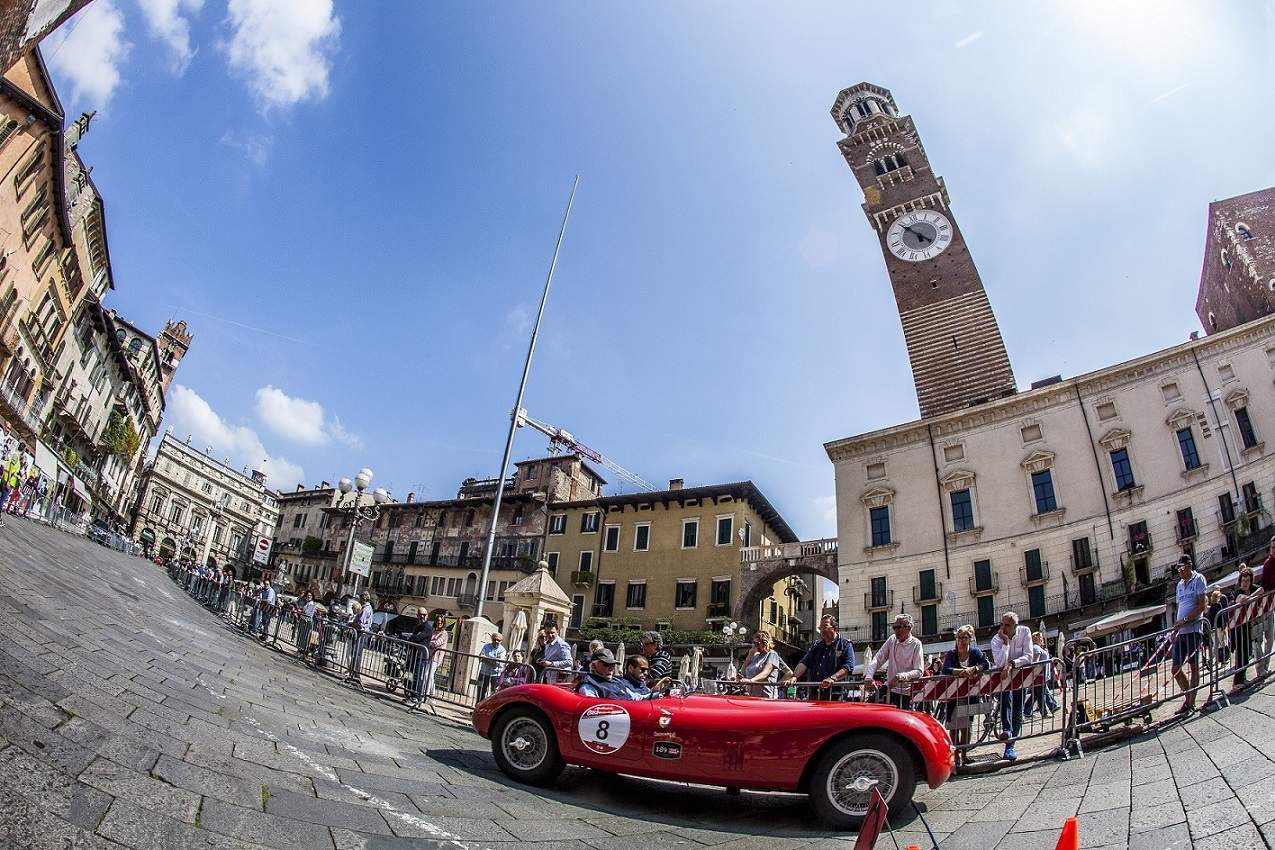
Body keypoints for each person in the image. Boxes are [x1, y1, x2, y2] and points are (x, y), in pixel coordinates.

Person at [942, 625, 989, 767]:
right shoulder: (951, 654)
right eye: (959, 638)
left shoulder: (975, 652)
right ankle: (955, 756)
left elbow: (985, 664)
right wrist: (962, 672)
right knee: (954, 726)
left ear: (970, 639)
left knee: (967, 726)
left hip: (970, 695)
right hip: (954, 696)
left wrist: (974, 668)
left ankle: (964, 755)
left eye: (964, 638)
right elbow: (946, 669)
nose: (961, 641)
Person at [990, 611, 1034, 761]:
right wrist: (1006, 643)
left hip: (1020, 677)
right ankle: (1006, 730)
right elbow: (999, 663)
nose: (1003, 628)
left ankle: (1010, 746)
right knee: (1006, 703)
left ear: (1016, 625)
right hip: (1004, 679)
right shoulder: (996, 639)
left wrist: (1012, 664)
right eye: (1002, 624)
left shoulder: (1025, 632)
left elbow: (1029, 656)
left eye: (1007, 625)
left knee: (1018, 710)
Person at [783, 615, 855, 699]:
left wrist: (832, 678)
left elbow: (848, 666)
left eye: (825, 627)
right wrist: (794, 676)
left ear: (835, 628)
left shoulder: (845, 644)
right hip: (815, 693)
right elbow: (804, 662)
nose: (822, 630)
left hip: (835, 694)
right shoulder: (816, 645)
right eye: (820, 628)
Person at [863, 613, 924, 710]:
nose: (896, 631)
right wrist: (869, 675)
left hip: (905, 692)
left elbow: (919, 671)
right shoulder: (892, 639)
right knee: (869, 707)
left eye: (899, 627)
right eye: (894, 627)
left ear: (909, 628)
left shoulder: (916, 644)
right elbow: (878, 658)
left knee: (901, 717)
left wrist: (899, 676)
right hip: (889, 687)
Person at [1172, 554, 1207, 715]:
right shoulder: (1179, 585)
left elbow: (1201, 606)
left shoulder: (1198, 579)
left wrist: (1186, 620)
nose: (1180, 571)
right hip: (1182, 631)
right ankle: (1188, 700)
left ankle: (1191, 703)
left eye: (1183, 567)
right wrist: (1177, 624)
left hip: (1193, 629)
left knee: (1193, 666)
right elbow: (1179, 606)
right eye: (1178, 568)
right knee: (1175, 668)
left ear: (1190, 566)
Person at [577, 649, 669, 700]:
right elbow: (591, 710)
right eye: (606, 664)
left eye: (613, 665)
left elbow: (635, 698)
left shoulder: (616, 681)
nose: (611, 668)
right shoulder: (588, 686)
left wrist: (658, 695)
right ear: (593, 666)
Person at [1231, 565, 1257, 688]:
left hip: (1246, 624)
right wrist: (1250, 597)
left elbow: (1261, 590)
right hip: (1237, 627)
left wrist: (1251, 595)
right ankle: (1237, 680)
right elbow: (1240, 599)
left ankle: (1243, 677)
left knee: (1247, 651)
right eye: (1243, 581)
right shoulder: (1238, 590)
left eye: (1247, 581)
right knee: (1241, 652)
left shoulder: (1251, 588)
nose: (1245, 583)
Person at [1023, 631, 1059, 718]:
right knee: (1042, 694)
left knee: (1036, 694)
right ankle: (1045, 712)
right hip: (1039, 675)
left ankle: (1026, 710)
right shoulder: (1036, 648)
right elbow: (1036, 661)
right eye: (1041, 637)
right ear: (1037, 638)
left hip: (1041, 675)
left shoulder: (1038, 648)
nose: (1042, 639)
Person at [405, 610, 434, 709]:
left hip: (422, 655)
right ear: (417, 615)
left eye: (424, 615)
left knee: (418, 677)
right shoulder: (418, 626)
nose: (422, 617)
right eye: (420, 615)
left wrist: (413, 637)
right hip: (415, 654)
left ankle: (416, 697)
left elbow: (417, 638)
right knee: (415, 676)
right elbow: (415, 637)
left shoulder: (427, 627)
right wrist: (414, 636)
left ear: (427, 616)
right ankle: (412, 695)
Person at [741, 631, 783, 698]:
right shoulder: (755, 655)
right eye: (754, 643)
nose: (755, 646)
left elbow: (765, 673)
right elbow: (743, 672)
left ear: (765, 643)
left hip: (766, 695)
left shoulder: (772, 654)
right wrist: (750, 656)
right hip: (751, 695)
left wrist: (751, 681)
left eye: (757, 643)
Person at [476, 632, 507, 702]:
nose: (496, 641)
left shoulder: (502, 650)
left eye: (498, 640)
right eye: (494, 639)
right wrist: (493, 660)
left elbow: (497, 662)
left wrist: (486, 658)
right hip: (484, 672)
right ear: (492, 639)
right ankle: (479, 706)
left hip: (496, 674)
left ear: (501, 641)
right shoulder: (486, 646)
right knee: (480, 692)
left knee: (494, 694)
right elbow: (480, 657)